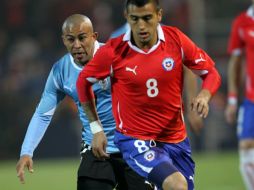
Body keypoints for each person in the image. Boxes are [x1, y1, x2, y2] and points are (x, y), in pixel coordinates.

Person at [76, 0, 221, 190]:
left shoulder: (176, 39)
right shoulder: (114, 50)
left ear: (159, 15)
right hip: (135, 140)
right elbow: (83, 82)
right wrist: (96, 129)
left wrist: (204, 95)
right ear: (127, 17)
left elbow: (210, 73)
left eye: (147, 18)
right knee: (176, 185)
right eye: (135, 19)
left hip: (176, 140)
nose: (141, 25)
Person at [16, 14, 153, 190]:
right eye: (70, 39)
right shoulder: (61, 71)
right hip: (96, 149)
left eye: (82, 38)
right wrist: (26, 151)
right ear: (63, 40)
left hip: (134, 146)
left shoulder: (117, 58)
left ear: (94, 36)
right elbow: (42, 115)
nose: (77, 45)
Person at [110, 23, 204, 135]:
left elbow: (188, 68)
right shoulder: (116, 39)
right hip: (135, 122)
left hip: (170, 119)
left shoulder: (171, 36)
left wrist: (192, 109)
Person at [225, 1, 254, 189]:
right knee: (245, 148)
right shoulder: (242, 22)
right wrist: (232, 99)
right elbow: (235, 62)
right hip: (251, 100)